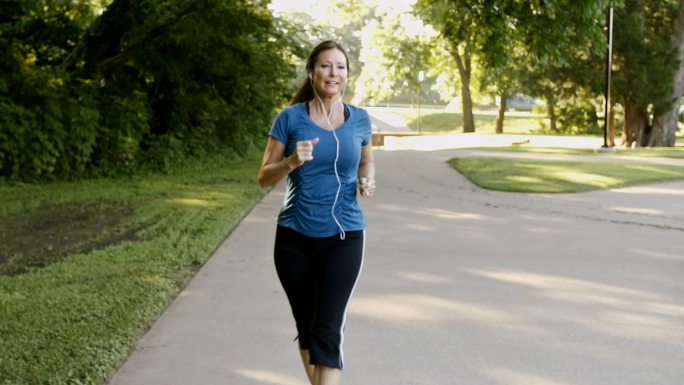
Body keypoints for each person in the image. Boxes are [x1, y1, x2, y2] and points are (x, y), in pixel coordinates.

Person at [257, 40, 375, 385]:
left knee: (327, 330)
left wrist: (367, 181)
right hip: (295, 238)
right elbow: (264, 177)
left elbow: (366, 162)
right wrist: (292, 161)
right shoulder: (290, 118)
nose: (333, 73)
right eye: (325, 65)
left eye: (340, 66)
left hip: (345, 237)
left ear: (347, 75)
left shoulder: (360, 120)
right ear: (312, 72)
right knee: (308, 329)